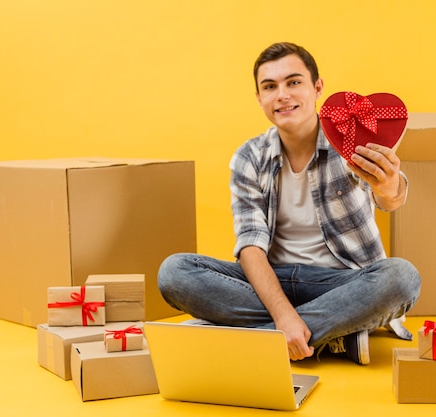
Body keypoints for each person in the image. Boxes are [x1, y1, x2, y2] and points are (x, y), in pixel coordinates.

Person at [158, 42, 420, 365]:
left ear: (317, 87)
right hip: (272, 283)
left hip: (344, 284)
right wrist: (283, 315)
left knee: (402, 278)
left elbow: (391, 199)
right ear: (259, 98)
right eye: (270, 87)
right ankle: (333, 334)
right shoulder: (248, 157)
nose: (282, 95)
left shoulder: (349, 139)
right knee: (174, 272)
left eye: (293, 82)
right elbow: (250, 248)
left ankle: (257, 340)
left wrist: (389, 184)